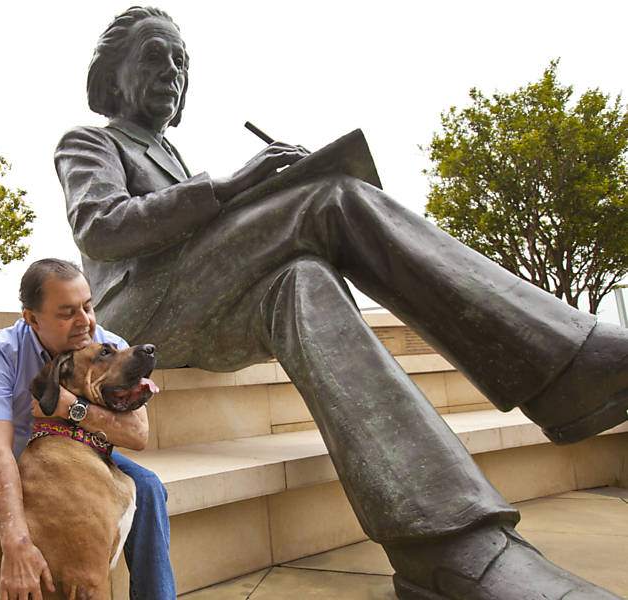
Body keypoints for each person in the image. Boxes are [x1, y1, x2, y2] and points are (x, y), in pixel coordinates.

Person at [54, 6, 628, 599]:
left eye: (182, 61)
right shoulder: (88, 142)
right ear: (113, 75)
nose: (173, 70)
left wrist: (255, 196)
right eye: (155, 55)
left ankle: (448, 546)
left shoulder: (173, 158)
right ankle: (565, 366)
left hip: (207, 311)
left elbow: (204, 238)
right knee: (329, 198)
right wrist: (233, 188)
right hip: (137, 319)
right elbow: (102, 227)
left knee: (304, 278)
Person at [0, 258, 175, 600]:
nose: (84, 321)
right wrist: (15, 544)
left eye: (87, 306)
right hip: (18, 455)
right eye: (67, 312)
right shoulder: (0, 352)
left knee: (149, 487)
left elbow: (138, 435)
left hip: (84, 452)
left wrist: (71, 407)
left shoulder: (106, 344)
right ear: (32, 318)